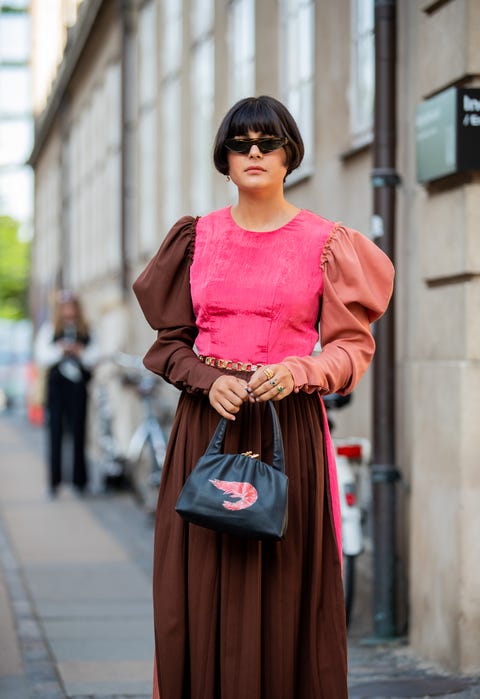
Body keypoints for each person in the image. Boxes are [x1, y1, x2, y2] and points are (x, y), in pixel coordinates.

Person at [133, 95, 394, 699]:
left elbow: (352, 349)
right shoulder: (196, 239)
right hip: (207, 428)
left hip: (288, 436)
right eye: (240, 143)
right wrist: (207, 379)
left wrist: (302, 370)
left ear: (288, 156)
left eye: (267, 143)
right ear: (223, 158)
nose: (254, 153)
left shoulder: (328, 242)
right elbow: (168, 347)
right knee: (193, 590)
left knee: (283, 591)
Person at [34, 290, 98, 497]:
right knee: (55, 434)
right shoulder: (50, 329)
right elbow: (41, 355)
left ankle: (80, 481)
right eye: (65, 307)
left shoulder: (86, 330)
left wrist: (81, 352)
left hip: (78, 388)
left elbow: (95, 355)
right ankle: (54, 482)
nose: (68, 311)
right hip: (57, 389)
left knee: (79, 433)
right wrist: (59, 351)